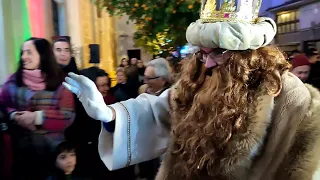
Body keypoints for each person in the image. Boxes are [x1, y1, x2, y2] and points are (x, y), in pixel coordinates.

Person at [64, 1, 320, 179]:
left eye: (219, 53)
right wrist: (108, 115)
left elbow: (306, 162)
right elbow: (156, 114)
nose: (206, 63)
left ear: (250, 55)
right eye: (202, 53)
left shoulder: (291, 98)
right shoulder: (198, 82)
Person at [0, 37, 75, 179]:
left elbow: (67, 115)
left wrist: (37, 117)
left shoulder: (61, 82)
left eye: (29, 52)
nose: (24, 57)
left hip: (53, 154)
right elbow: (3, 105)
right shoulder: (12, 81)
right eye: (22, 52)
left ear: (43, 55)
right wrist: (14, 115)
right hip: (20, 154)